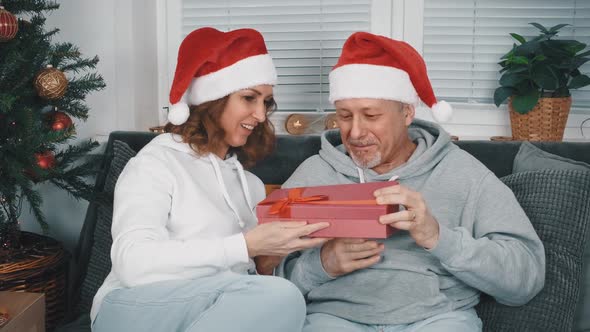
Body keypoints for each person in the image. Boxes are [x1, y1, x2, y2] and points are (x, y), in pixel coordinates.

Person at [275, 32, 546, 331]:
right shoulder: (314, 174)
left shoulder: (465, 174)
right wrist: (320, 266)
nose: (354, 132)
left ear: (406, 113)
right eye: (345, 116)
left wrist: (440, 238)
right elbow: (263, 279)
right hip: (333, 319)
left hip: (437, 319)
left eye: (371, 115)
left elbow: (526, 280)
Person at [90, 27, 329, 332]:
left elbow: (245, 288)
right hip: (130, 307)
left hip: (208, 309)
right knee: (282, 298)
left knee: (291, 307)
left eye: (266, 102)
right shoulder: (155, 163)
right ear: (211, 100)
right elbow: (132, 264)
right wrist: (244, 246)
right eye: (249, 98)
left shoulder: (251, 186)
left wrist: (266, 257)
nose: (260, 114)